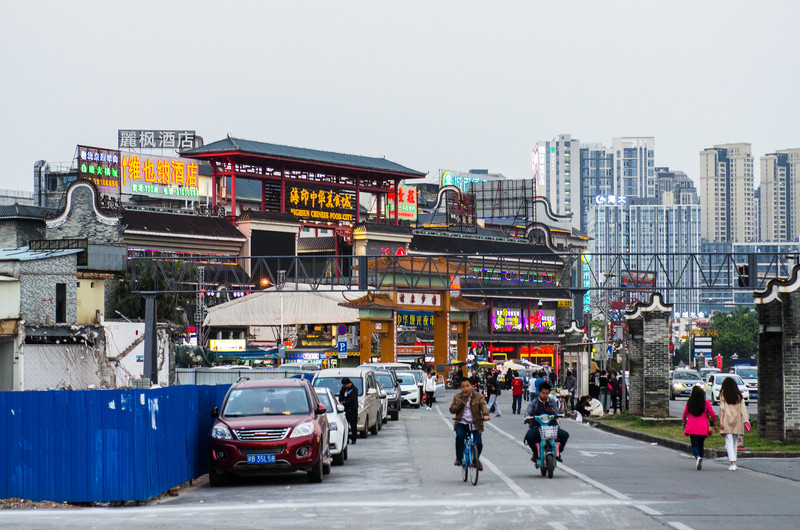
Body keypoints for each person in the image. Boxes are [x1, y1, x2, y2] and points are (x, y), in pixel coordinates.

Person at [449, 378, 490, 470]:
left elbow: (483, 406)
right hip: (461, 422)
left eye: (467, 386)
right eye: (463, 387)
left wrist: (486, 415)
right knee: (459, 436)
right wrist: (461, 404)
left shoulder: (479, 396)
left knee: (479, 444)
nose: (465, 388)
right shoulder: (457, 397)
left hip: (475, 424)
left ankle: (476, 459)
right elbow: (452, 409)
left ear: (472, 386)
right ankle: (459, 458)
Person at [524, 381, 569, 461]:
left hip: (552, 427)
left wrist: (554, 412)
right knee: (529, 436)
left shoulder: (552, 401)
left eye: (547, 393)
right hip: (537, 427)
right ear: (539, 392)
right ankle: (535, 453)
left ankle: (558, 452)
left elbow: (557, 413)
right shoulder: (534, 402)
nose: (545, 395)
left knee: (565, 435)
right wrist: (528, 417)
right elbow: (528, 412)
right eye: (543, 393)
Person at [682, 385, 717, 470]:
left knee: (694, 445)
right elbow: (712, 413)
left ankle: (698, 457)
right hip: (703, 427)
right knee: (701, 444)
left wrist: (684, 423)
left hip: (692, 426)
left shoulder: (690, 402)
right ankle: (700, 457)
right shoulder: (706, 403)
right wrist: (715, 424)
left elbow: (685, 413)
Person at [719, 376, 750, 471]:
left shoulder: (723, 395)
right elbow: (743, 409)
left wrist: (721, 420)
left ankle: (732, 462)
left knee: (728, 442)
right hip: (737, 421)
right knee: (734, 442)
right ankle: (734, 462)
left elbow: (722, 408)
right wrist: (746, 420)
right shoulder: (739, 396)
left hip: (727, 420)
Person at [338, 377, 359, 445]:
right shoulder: (344, 389)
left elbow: (352, 399)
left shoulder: (354, 389)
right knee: (345, 425)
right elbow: (341, 395)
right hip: (345, 410)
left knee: (353, 425)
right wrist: (341, 401)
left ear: (349, 383)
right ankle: (346, 439)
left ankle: (353, 439)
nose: (344, 386)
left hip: (352, 409)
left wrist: (344, 403)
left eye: (345, 385)